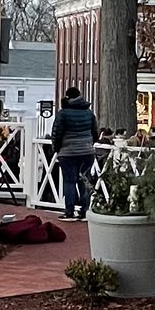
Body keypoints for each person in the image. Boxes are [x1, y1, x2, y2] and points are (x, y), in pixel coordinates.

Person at [50, 86, 98, 221]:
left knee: (69, 181)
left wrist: (57, 148)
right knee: (84, 180)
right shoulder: (89, 113)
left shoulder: (63, 113)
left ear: (67, 97)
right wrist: (89, 144)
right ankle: (85, 211)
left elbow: (56, 133)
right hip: (87, 152)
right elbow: (95, 132)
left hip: (68, 152)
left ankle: (69, 212)